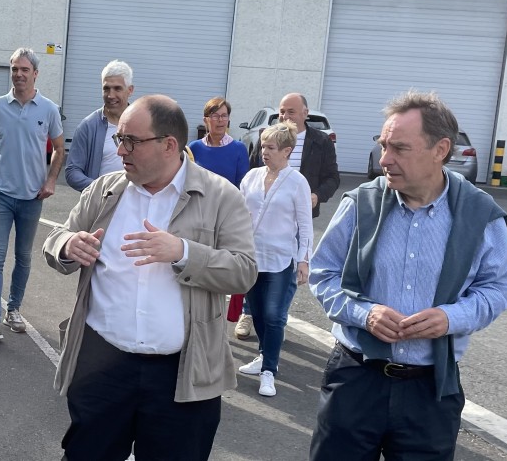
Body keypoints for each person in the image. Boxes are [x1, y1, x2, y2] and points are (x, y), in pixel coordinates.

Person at [43, 95, 256, 461]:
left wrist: (184, 253)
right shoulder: (106, 189)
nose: (120, 150)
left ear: (169, 145)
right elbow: (57, 236)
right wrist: (67, 245)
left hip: (180, 375)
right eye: (118, 139)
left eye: (131, 141)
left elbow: (244, 271)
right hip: (102, 366)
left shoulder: (221, 196)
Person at [308, 90, 507, 460]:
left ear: (440, 150)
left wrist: (451, 318)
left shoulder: (478, 213)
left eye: (399, 148)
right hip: (356, 379)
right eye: (383, 145)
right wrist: (365, 313)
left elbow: (498, 286)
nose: (384, 159)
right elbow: (323, 274)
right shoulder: (361, 204)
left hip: (430, 392)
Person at [0, 47, 65, 340]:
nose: (18, 74)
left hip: (32, 197)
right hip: (1, 194)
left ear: (35, 74)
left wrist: (51, 180)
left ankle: (13, 310)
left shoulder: (49, 109)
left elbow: (59, 150)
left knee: (23, 257)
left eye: (24, 69)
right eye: (14, 69)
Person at [236, 121, 312, 396]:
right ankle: (262, 355)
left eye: (271, 147)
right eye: (263, 146)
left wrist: (304, 260)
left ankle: (269, 370)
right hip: (252, 256)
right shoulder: (251, 177)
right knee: (255, 310)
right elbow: (239, 214)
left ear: (287, 151)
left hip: (282, 258)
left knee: (274, 314)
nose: (264, 152)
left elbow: (305, 224)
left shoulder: (297, 182)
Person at [186, 97, 252, 339]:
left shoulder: (238, 149)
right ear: (206, 120)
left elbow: (242, 187)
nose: (220, 120)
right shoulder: (193, 148)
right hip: (197, 217)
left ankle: (219, 323)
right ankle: (195, 320)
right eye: (215, 116)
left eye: (224, 115)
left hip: (224, 218)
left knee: (220, 269)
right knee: (198, 267)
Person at [255, 93, 339, 219]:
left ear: (305, 113)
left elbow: (332, 178)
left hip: (301, 213)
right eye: (282, 111)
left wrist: (317, 195)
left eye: (291, 112)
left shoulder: (322, 141)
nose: (285, 116)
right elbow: (253, 170)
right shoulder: (266, 138)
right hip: (266, 210)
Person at [65, 60, 134, 191]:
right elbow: (72, 171)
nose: (110, 95)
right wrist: (100, 190)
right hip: (101, 206)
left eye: (117, 88)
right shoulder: (88, 126)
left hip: (136, 203)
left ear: (130, 90)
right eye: (106, 88)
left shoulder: (143, 123)